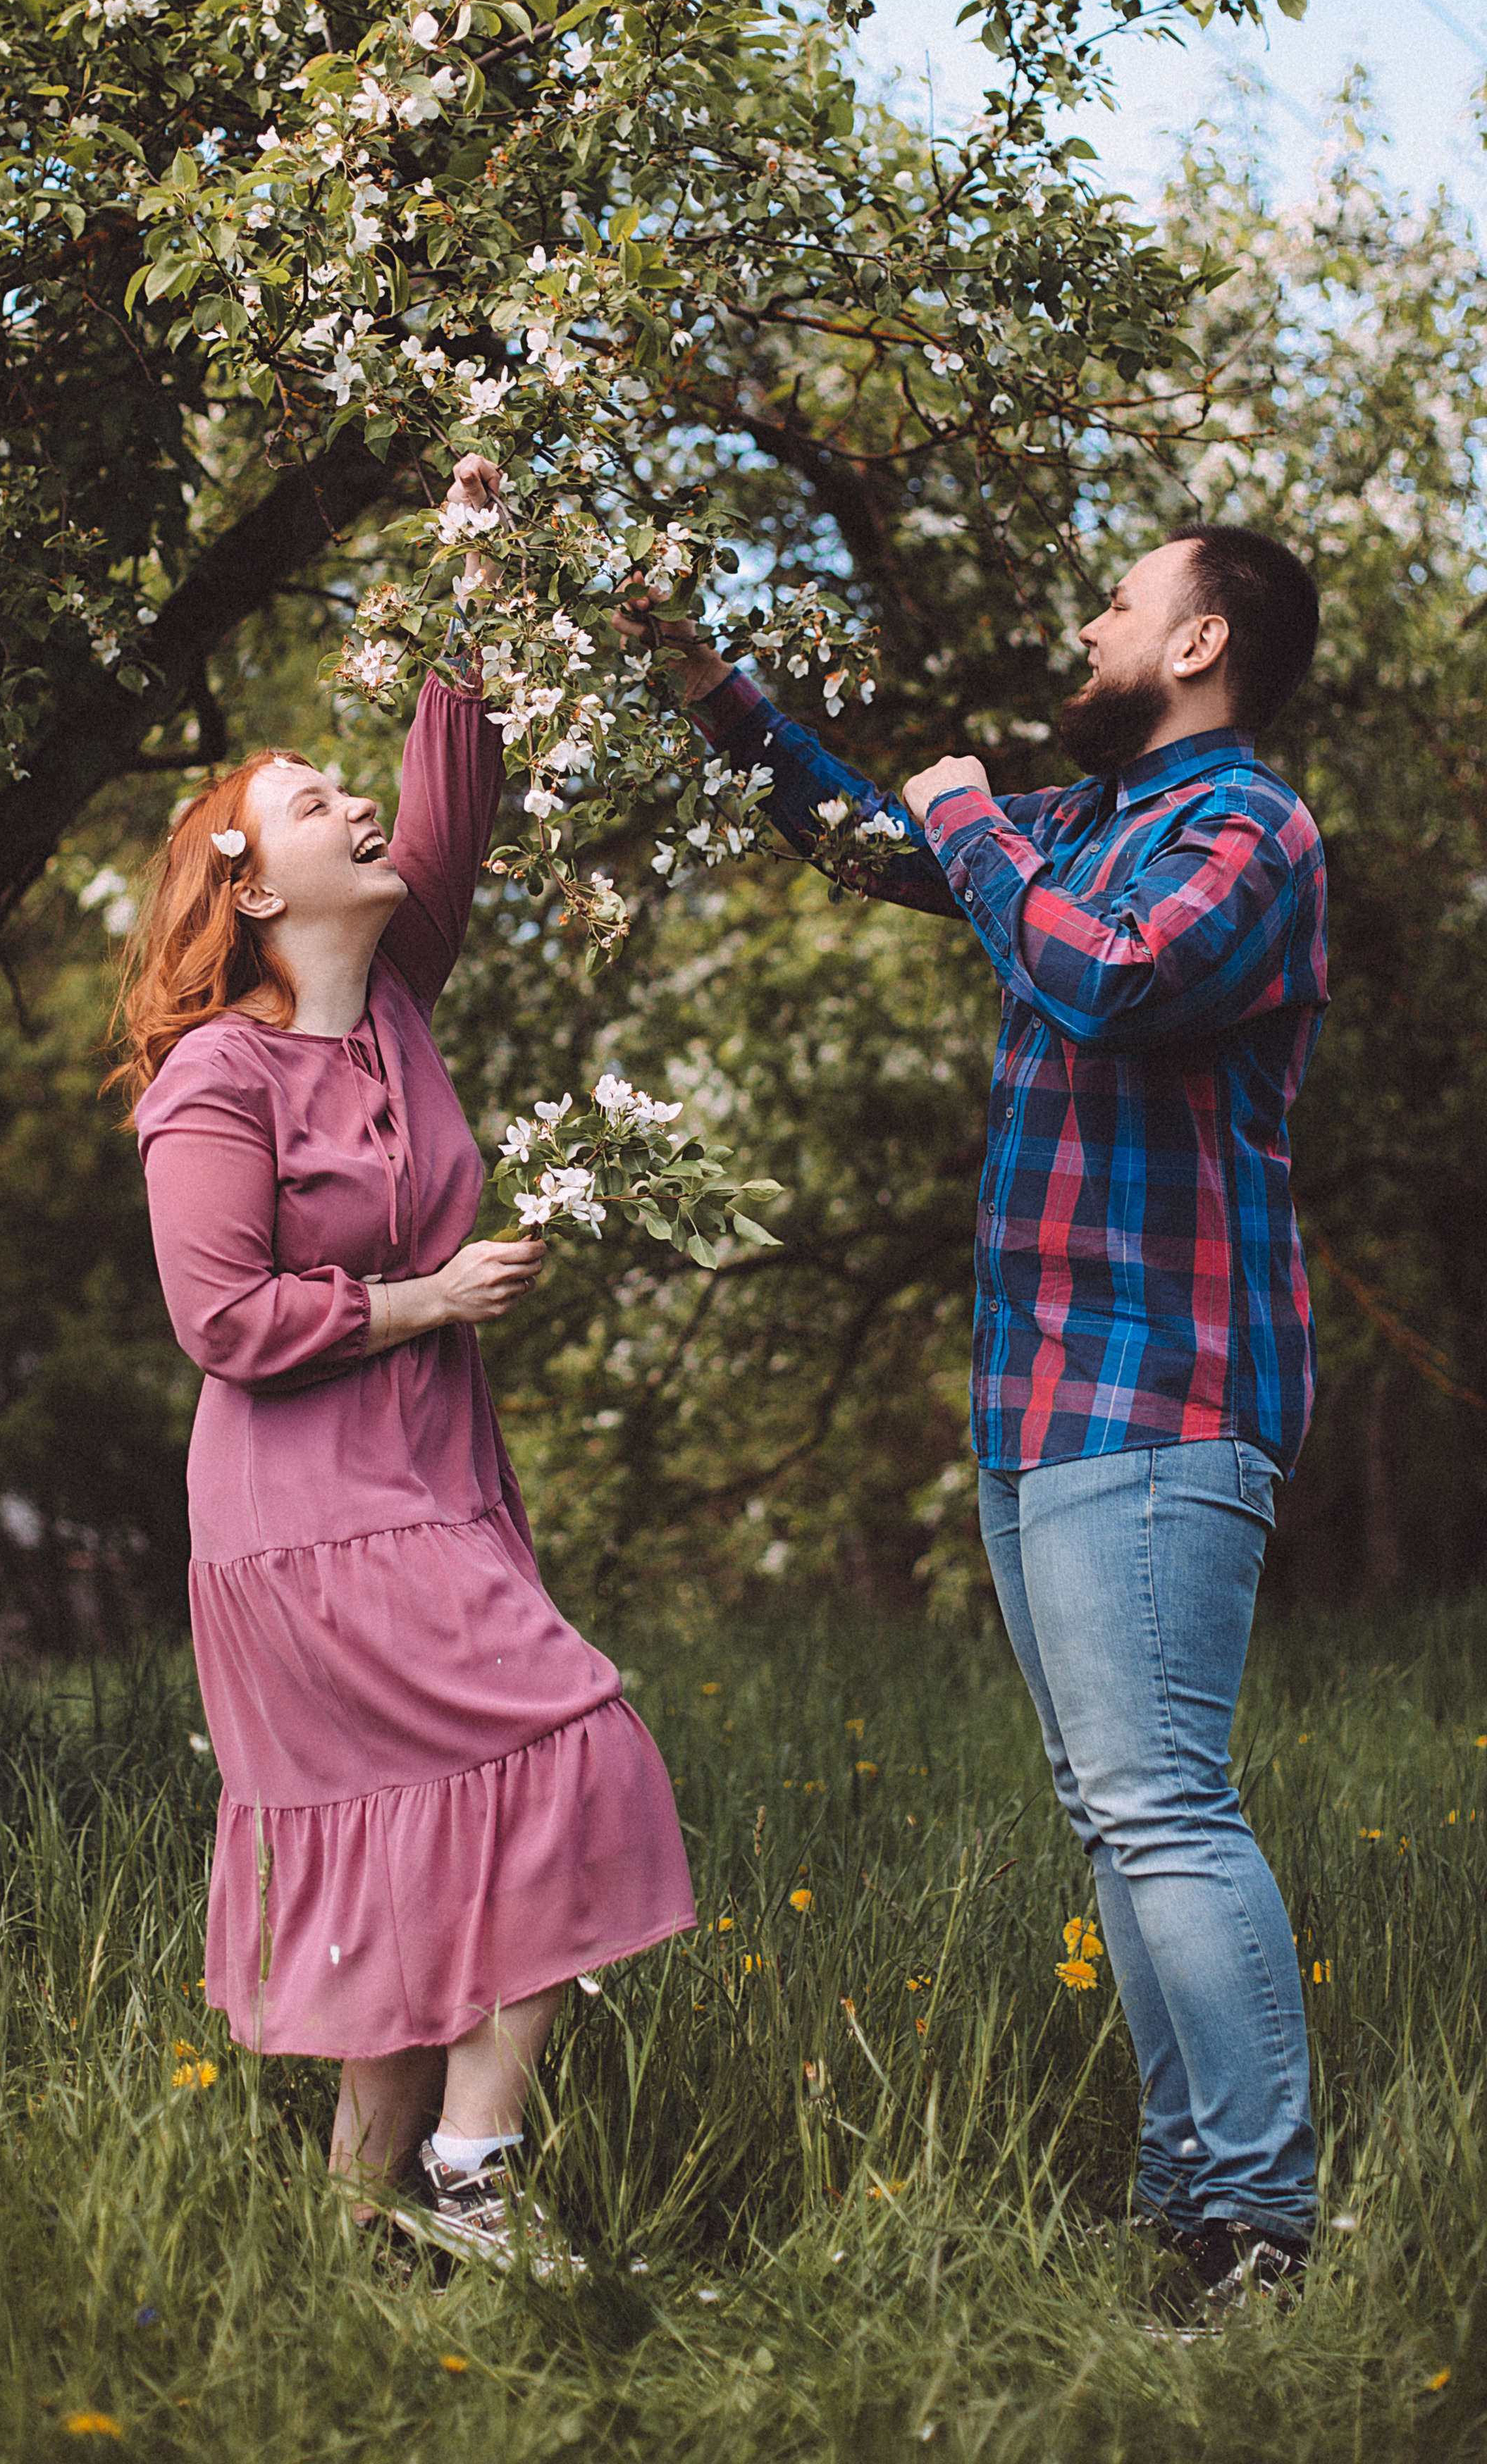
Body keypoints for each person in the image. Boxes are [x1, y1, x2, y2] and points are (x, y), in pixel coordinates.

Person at [624, 524, 1326, 2324]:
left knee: (1160, 1805)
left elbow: (1111, 978)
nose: (1086, 625)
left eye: (1118, 604)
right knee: (1111, 1812)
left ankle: (1259, 2227)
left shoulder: (1247, 829)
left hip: (1160, 1383)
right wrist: (712, 689)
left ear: (1199, 643)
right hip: (1040, 1394)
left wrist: (962, 818)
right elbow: (883, 841)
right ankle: (1185, 2203)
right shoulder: (1077, 826)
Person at [112, 454, 695, 2271]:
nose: (352, 803)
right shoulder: (217, 1077)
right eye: (310, 799)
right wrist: (423, 1301)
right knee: (580, 1749)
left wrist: (478, 558)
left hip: (433, 1486)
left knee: (411, 1859)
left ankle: (348, 2257)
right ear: (246, 884)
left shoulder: (399, 1003)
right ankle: (472, 2179)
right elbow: (219, 1320)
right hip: (303, 1523)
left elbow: (452, 778)